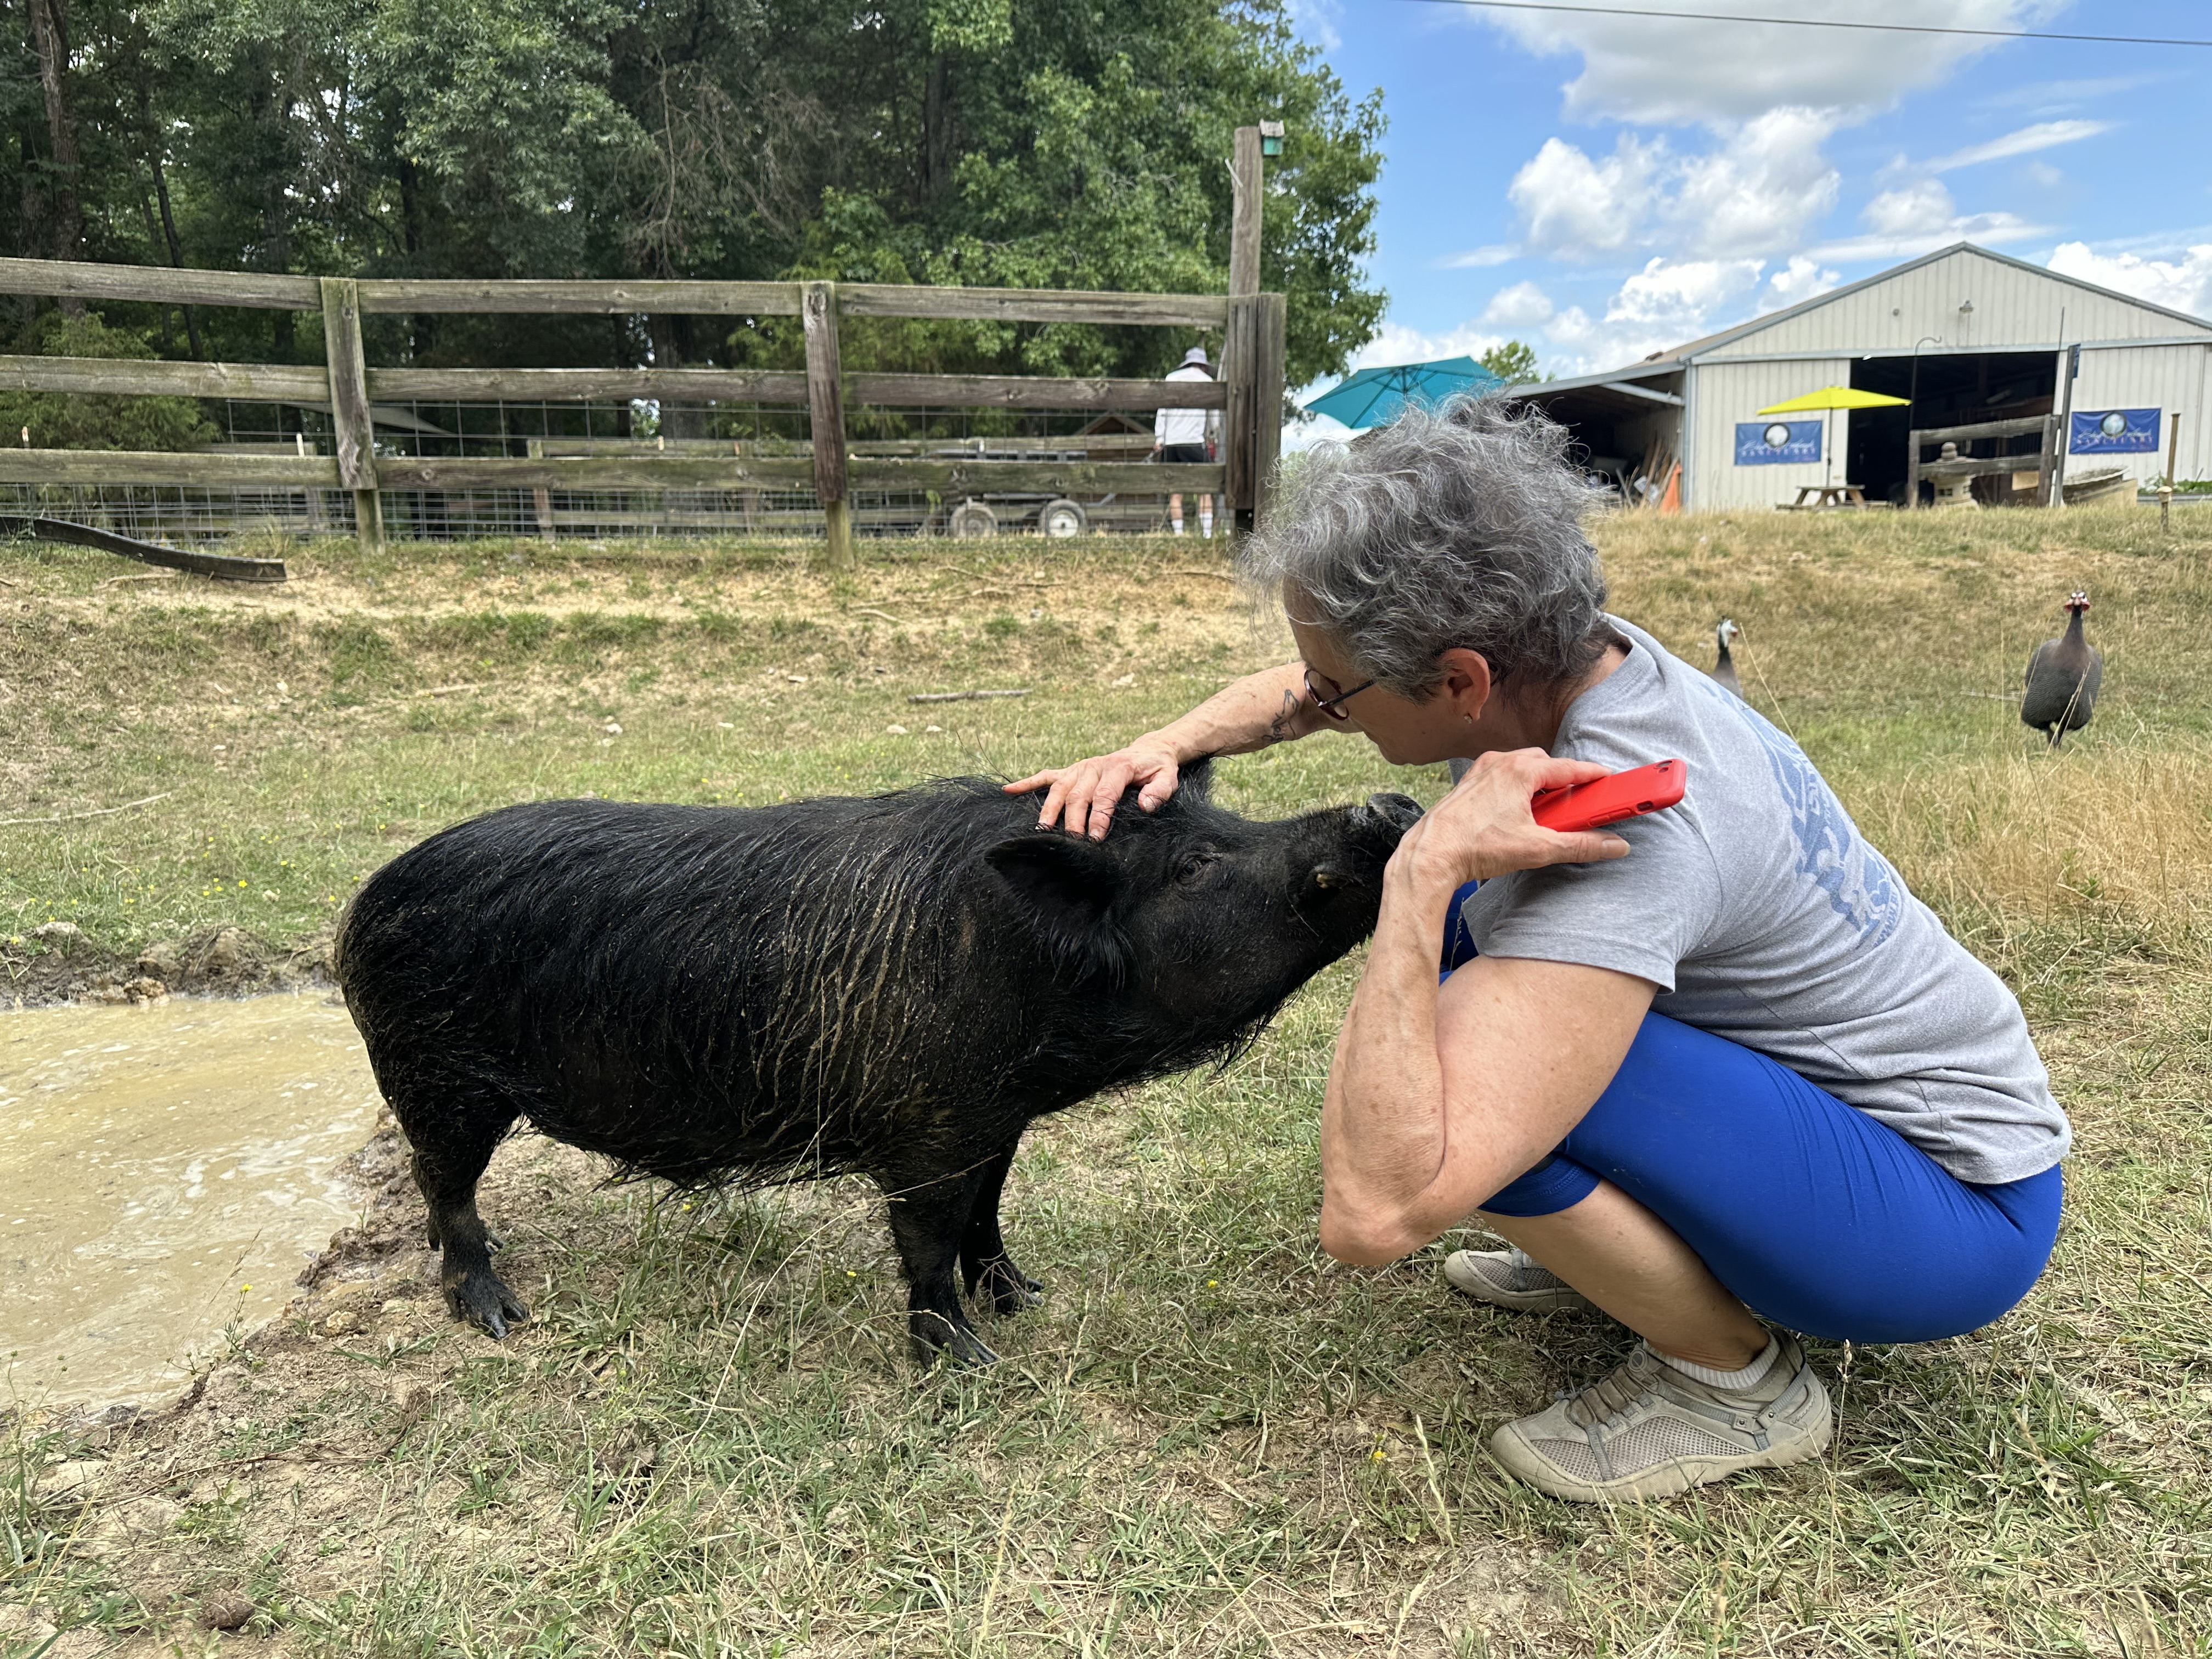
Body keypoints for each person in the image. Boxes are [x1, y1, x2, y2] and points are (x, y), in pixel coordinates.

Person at [1007, 398, 2068, 1504]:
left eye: (1335, 689)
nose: (1315, 701)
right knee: (1475, 959)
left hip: (1946, 1216)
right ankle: (1622, 1251)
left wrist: (1420, 873)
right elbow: (1308, 691)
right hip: (1876, 1126)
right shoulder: (1563, 655)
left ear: (1460, 683)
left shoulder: (1626, 829)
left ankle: (1736, 1383)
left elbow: (1372, 1212)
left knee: (1444, 1081)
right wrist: (1162, 745)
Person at [1153, 343, 1221, 537]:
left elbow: (1162, 411)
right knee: (1204, 490)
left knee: (1176, 493)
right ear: (1204, 367)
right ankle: (1207, 535)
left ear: (1186, 364)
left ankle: (1179, 534)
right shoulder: (1208, 382)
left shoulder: (1171, 379)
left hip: (1171, 444)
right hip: (1193, 443)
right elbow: (1215, 419)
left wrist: (1159, 438)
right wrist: (1212, 433)